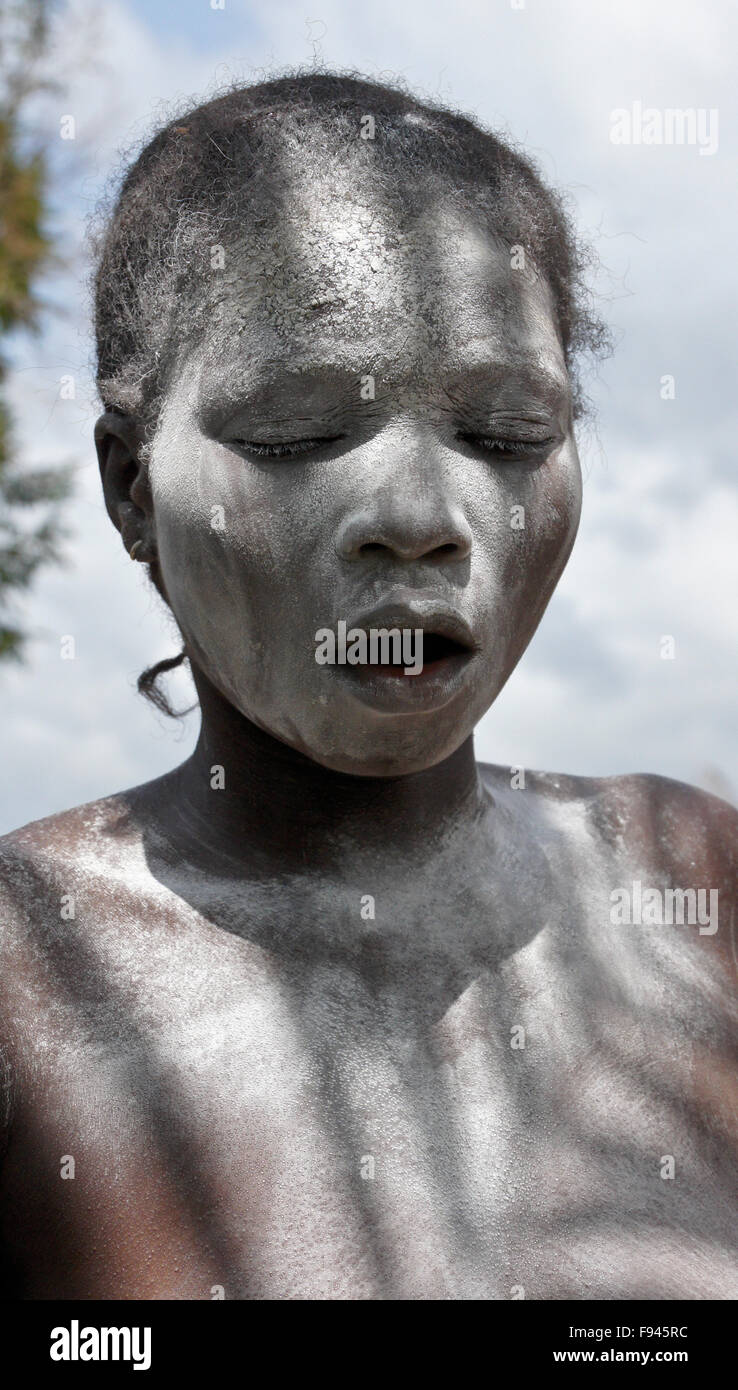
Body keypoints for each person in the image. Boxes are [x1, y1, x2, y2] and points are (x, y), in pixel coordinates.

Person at [0, 73, 735, 1301]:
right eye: (295, 435)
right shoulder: (30, 978)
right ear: (132, 485)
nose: (418, 520)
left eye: (506, 436)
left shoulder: (694, 884)